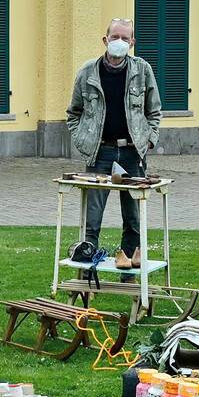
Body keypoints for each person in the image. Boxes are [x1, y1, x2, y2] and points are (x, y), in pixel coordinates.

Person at [66, 18, 164, 266]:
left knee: (133, 217)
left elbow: (154, 111)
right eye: (114, 37)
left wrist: (149, 140)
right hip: (99, 153)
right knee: (92, 218)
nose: (119, 42)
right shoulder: (88, 72)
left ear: (132, 42)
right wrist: (83, 140)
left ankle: (127, 269)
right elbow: (73, 113)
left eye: (124, 38)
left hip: (132, 153)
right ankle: (88, 272)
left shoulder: (142, 70)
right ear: (105, 39)